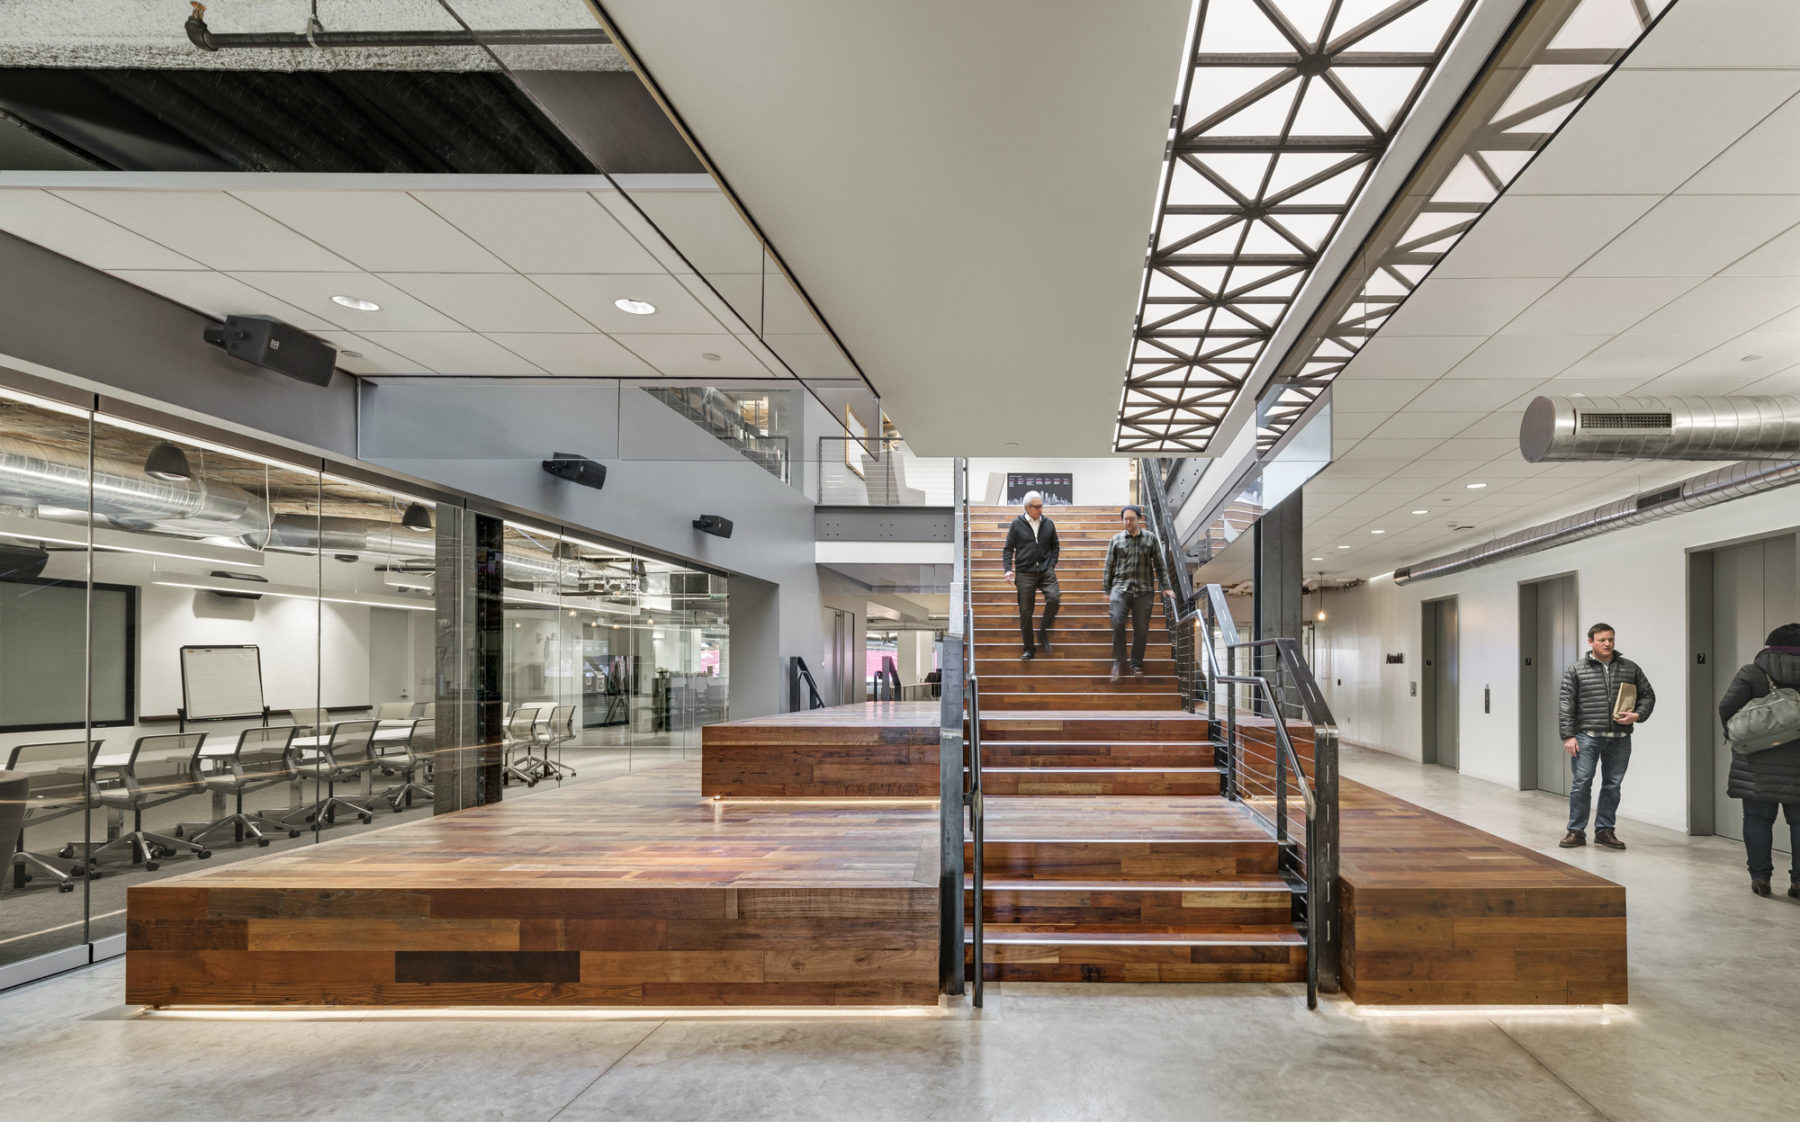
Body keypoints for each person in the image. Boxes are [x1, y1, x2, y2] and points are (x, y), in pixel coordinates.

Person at [1718, 622, 1800, 898]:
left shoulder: (1753, 672)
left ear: (1771, 645)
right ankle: (1798, 882)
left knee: (1757, 819)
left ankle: (1760, 878)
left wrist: (1738, 735)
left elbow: (1726, 706)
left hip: (1755, 762)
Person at [1558, 622, 1655, 850]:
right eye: (1602, 640)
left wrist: (1637, 715)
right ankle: (1575, 831)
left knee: (1613, 785)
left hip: (1620, 738)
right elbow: (1566, 704)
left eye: (1610, 639)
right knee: (1581, 784)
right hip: (1587, 737)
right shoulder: (1576, 670)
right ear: (1590, 641)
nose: (1607, 644)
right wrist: (1568, 736)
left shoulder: (1630, 668)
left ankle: (1605, 830)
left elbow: (1648, 695)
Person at [1101, 504, 1169, 682]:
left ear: (1138, 519)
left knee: (1141, 630)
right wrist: (1107, 589)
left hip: (1144, 590)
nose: (1127, 522)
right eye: (1125, 519)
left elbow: (1160, 565)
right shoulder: (1115, 540)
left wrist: (1166, 586)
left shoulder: (1150, 538)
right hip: (1120, 589)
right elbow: (1109, 566)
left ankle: (1136, 664)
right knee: (1117, 622)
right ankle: (1119, 662)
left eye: (1131, 519)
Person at [1001, 491, 1060, 660]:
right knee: (1026, 612)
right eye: (1037, 506)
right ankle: (1029, 648)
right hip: (1025, 572)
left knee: (1054, 598)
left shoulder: (1049, 524)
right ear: (1027, 508)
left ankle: (1042, 633)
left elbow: (1055, 546)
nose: (1041, 509)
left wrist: (1051, 564)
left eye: (1041, 506)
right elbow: (1008, 549)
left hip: (1045, 571)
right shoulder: (1016, 524)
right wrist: (1008, 568)